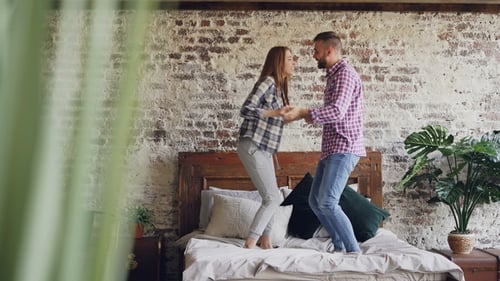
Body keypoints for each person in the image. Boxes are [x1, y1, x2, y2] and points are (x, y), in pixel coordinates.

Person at [282, 31, 365, 253]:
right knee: (315, 202)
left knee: (327, 202)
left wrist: (302, 112)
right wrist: (302, 113)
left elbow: (337, 111)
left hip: (344, 146)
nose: (313, 55)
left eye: (316, 51)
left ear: (329, 50)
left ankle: (353, 251)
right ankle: (339, 247)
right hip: (331, 148)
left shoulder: (345, 74)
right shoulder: (334, 76)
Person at [237, 46, 296, 249]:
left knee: (273, 197)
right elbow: (246, 109)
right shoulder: (268, 82)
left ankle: (266, 241)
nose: (293, 62)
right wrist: (275, 112)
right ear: (279, 62)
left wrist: (284, 116)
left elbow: (272, 116)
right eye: (290, 58)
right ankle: (251, 242)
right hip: (253, 144)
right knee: (271, 198)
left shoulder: (279, 88)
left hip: (265, 148)